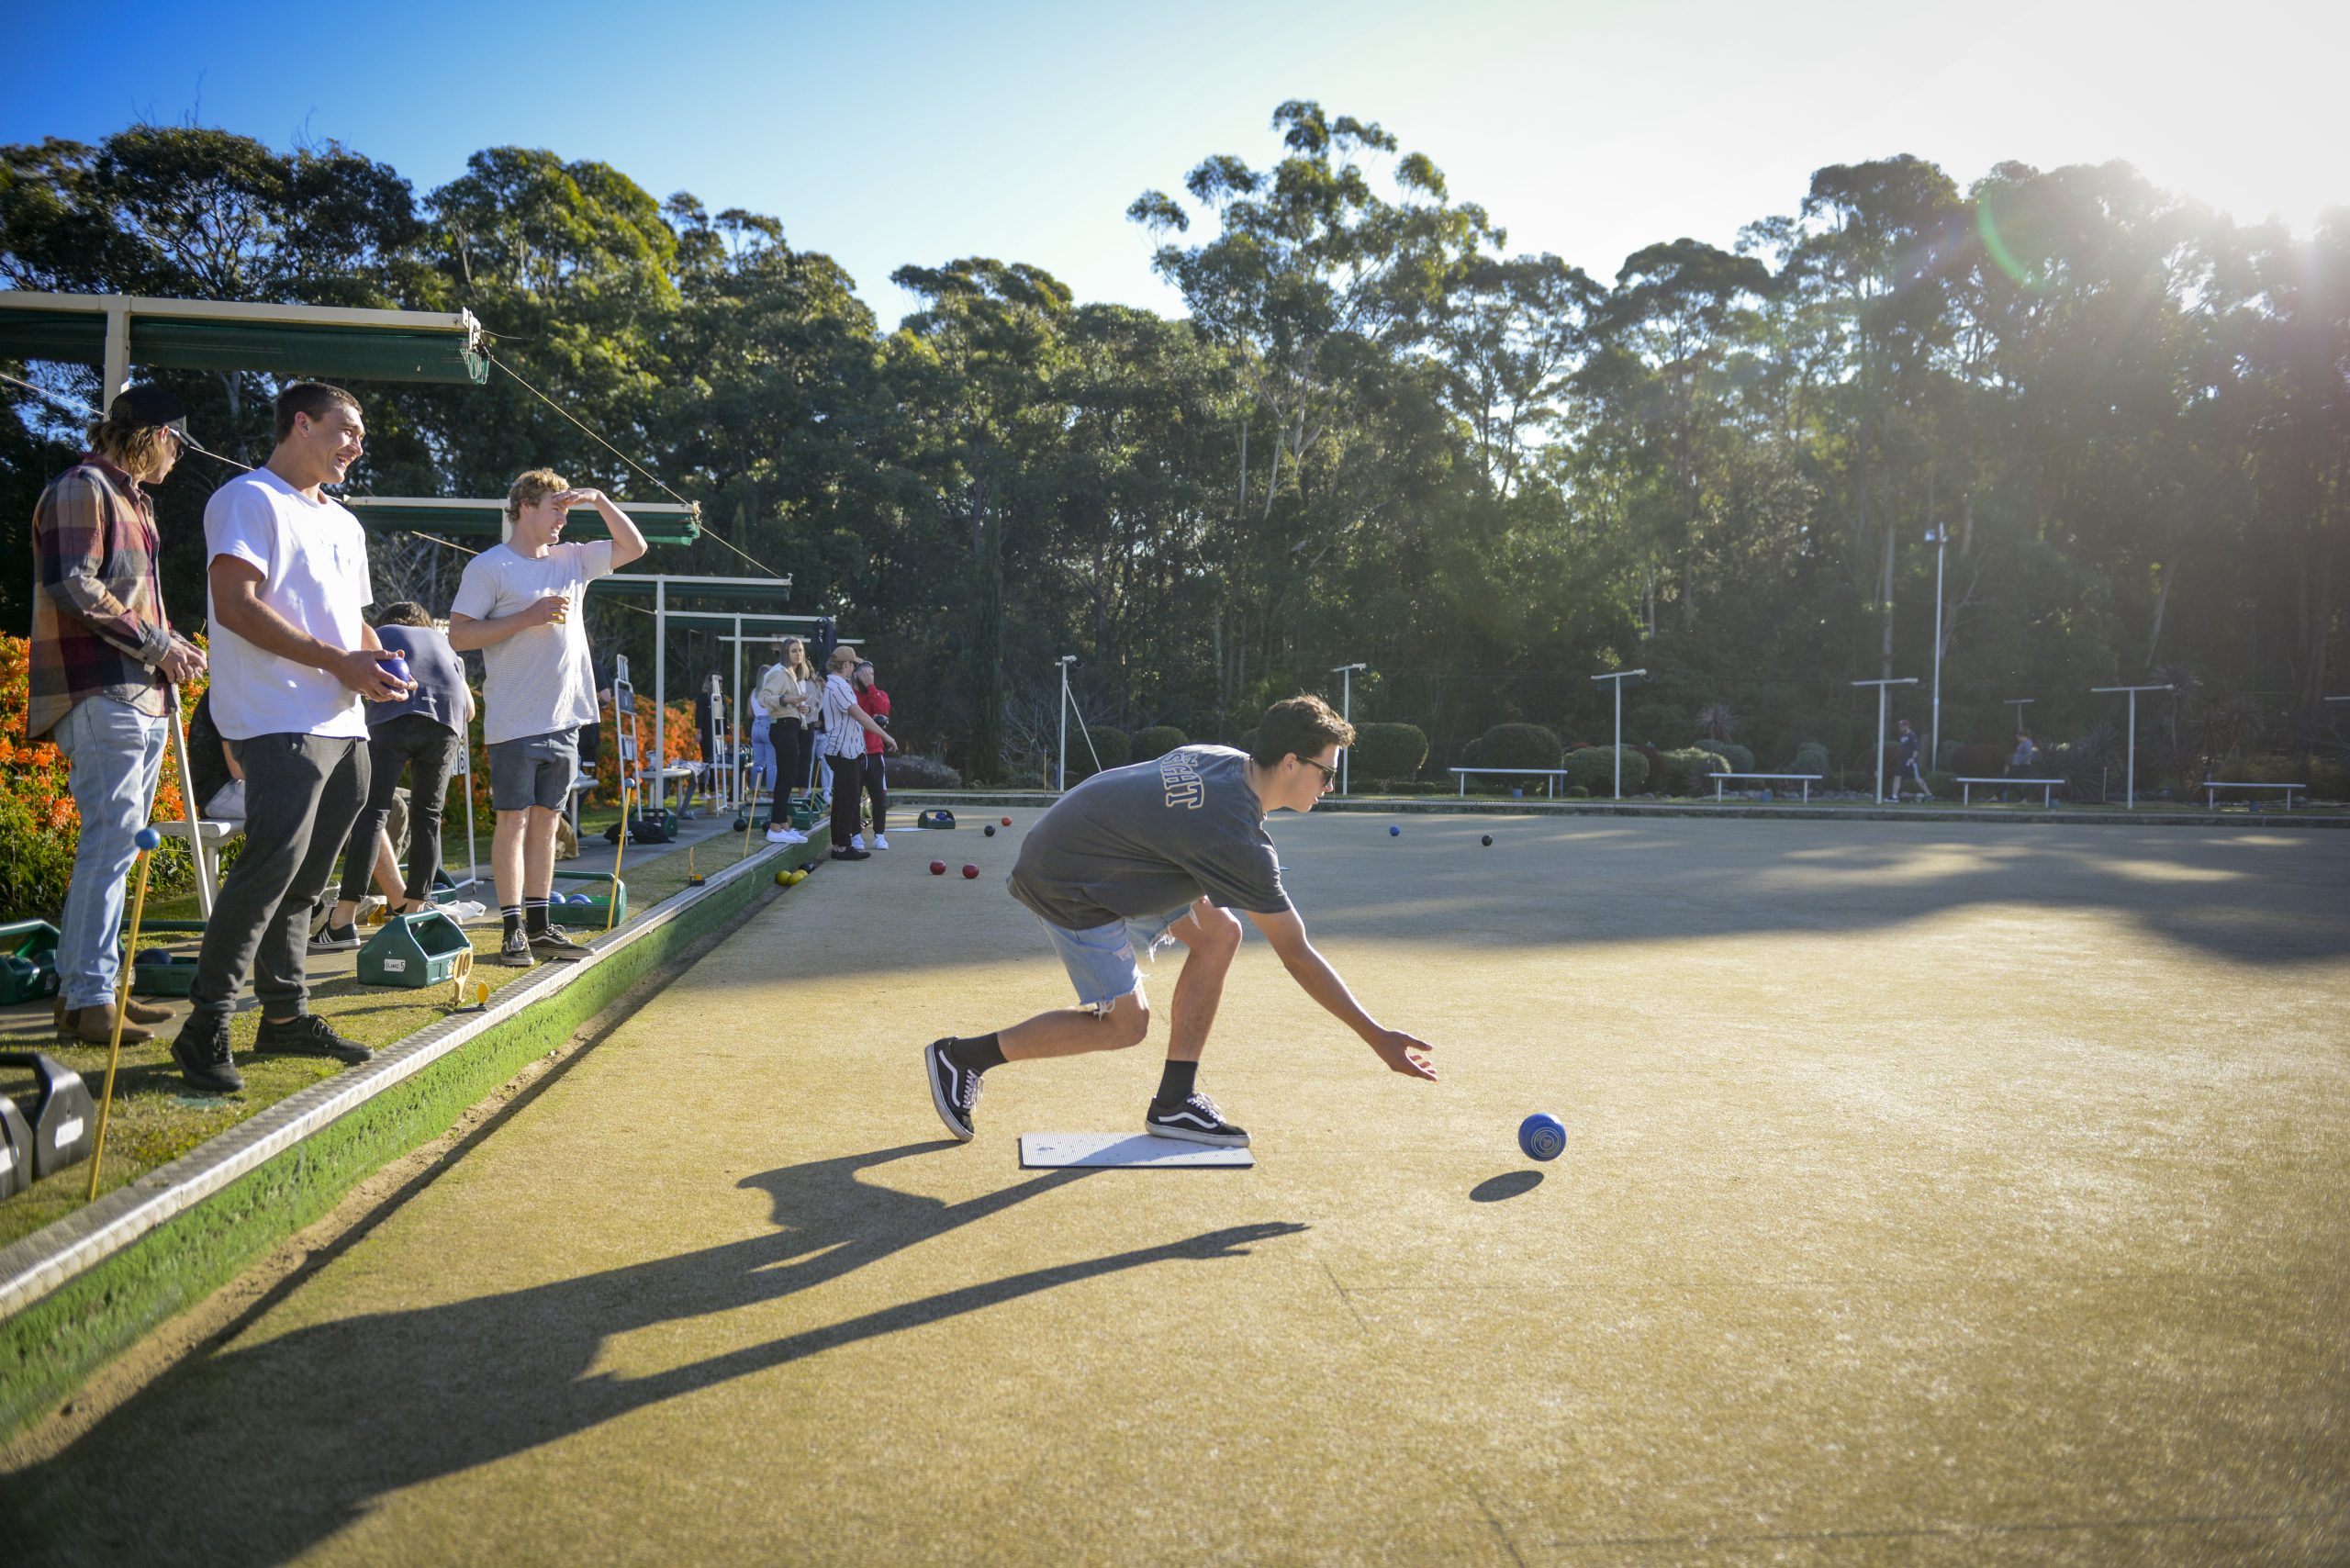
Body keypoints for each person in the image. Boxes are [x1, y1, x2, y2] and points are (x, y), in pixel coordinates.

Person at [922, 695, 1438, 1148]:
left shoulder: (1226, 760)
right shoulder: (1237, 838)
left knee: (1221, 932)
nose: (1330, 784)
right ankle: (962, 1057)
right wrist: (1376, 1037)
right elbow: (1297, 954)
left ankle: (1174, 1101)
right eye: (1326, 772)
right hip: (1067, 878)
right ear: (1289, 763)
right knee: (1126, 1025)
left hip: (1097, 844)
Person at [170, 383, 410, 1092]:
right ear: (300, 424)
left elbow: (351, 621)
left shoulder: (344, 522)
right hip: (277, 720)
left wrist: (383, 664)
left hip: (345, 724)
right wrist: (340, 661)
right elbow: (234, 607)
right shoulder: (248, 499)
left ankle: (284, 1016)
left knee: (308, 883)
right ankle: (205, 1025)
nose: (357, 445)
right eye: (345, 430)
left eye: (361, 435)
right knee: (268, 874)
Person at [28, 386, 208, 1046]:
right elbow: (73, 582)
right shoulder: (83, 486)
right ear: (153, 433)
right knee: (109, 842)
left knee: (120, 846)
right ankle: (89, 997)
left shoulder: (135, 500)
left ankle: (93, 993)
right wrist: (158, 645)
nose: (181, 453)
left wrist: (171, 645)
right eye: (177, 440)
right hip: (100, 690)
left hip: (137, 692)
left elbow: (126, 598)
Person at [448, 470, 647, 968]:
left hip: (568, 717)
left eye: (566, 510)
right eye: (554, 508)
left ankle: (540, 927)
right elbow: (459, 636)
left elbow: (635, 546)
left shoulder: (573, 558)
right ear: (524, 506)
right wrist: (528, 617)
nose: (562, 518)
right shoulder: (489, 567)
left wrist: (599, 498)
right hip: (515, 718)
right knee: (512, 822)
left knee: (548, 824)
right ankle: (511, 929)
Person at [312, 604, 474, 946]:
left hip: (393, 715)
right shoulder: (443, 643)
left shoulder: (379, 636)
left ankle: (342, 922)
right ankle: (414, 917)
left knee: (371, 814)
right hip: (447, 718)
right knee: (428, 817)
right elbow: (471, 710)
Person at [817, 644, 895, 860]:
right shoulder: (840, 686)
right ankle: (843, 846)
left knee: (843, 798)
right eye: (853, 664)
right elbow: (859, 715)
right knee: (848, 799)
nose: (854, 669)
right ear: (847, 665)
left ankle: (840, 845)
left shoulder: (834, 684)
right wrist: (886, 736)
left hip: (842, 750)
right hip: (843, 752)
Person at [757, 635, 819, 839]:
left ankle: (782, 824)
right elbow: (764, 698)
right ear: (785, 653)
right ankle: (775, 826)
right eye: (794, 650)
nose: (799, 654)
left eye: (800, 650)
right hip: (782, 727)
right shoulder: (779, 672)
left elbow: (786, 701)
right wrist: (786, 699)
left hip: (790, 725)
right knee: (787, 777)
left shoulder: (792, 674)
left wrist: (799, 706)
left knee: (788, 776)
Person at [851, 656, 891, 850]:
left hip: (875, 753)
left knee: (879, 797)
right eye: (865, 674)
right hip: (854, 753)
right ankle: (855, 835)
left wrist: (871, 686)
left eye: (872, 674)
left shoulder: (880, 694)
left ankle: (879, 835)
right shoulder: (850, 694)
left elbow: (883, 709)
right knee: (853, 796)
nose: (869, 677)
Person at [1889, 717, 1932, 802]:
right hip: (1902, 761)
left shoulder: (1912, 735)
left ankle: (1929, 795)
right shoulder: (1903, 736)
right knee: (1897, 777)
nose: (1900, 728)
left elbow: (1916, 749)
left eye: (1902, 726)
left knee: (1917, 779)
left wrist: (1913, 759)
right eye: (1900, 727)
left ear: (1906, 726)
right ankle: (1894, 797)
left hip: (1910, 762)